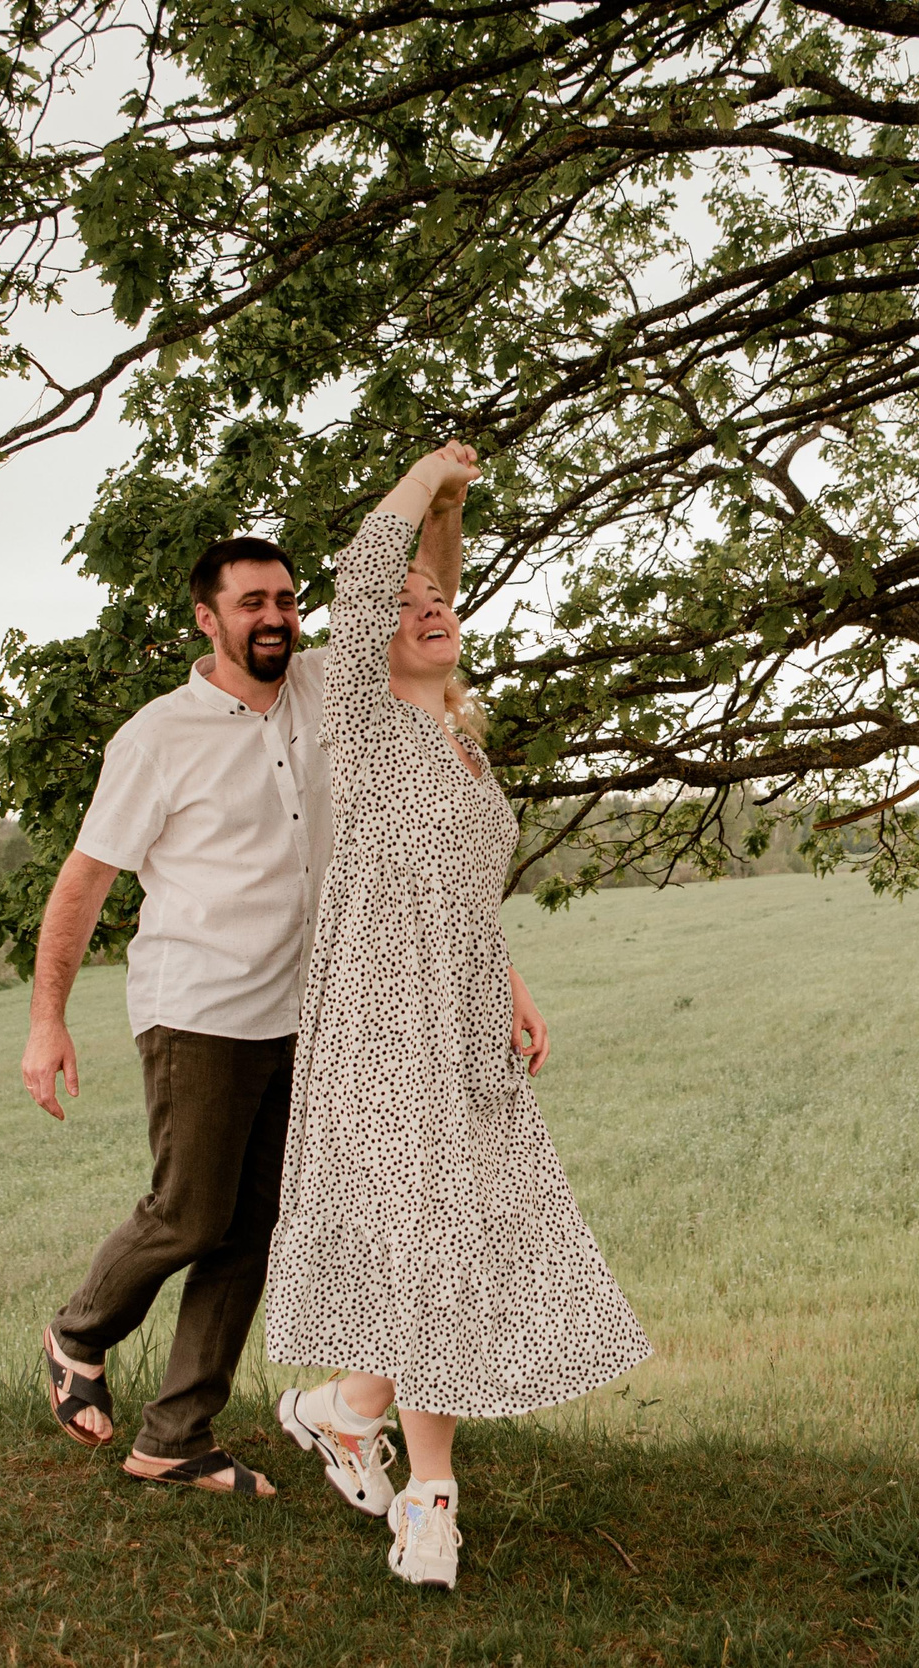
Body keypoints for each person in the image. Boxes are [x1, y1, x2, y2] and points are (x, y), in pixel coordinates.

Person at [265, 444, 651, 1590]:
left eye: (442, 605)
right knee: (434, 1251)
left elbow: (461, 900)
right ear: (369, 637)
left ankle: (346, 1409)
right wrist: (430, 474)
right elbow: (366, 566)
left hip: (463, 1020)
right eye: (408, 607)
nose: (429, 611)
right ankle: (430, 1506)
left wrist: (515, 990)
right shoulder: (366, 724)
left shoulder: (461, 748)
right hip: (382, 1026)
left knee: (448, 1249)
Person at [21, 503, 461, 1496]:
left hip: (307, 1017)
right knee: (189, 1213)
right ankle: (78, 1329)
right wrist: (47, 1019)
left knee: (254, 1225)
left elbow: (426, 601)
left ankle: (176, 1437)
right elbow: (84, 879)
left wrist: (445, 502)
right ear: (204, 620)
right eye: (251, 601)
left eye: (287, 599)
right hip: (200, 1011)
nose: (276, 615)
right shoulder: (157, 737)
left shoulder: (320, 689)